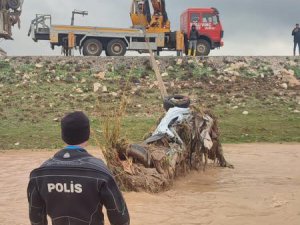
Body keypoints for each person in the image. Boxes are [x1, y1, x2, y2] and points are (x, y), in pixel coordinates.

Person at [27, 111, 130, 225]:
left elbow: (36, 219)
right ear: (88, 134)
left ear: (63, 135)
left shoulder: (40, 174)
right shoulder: (101, 172)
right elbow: (120, 218)